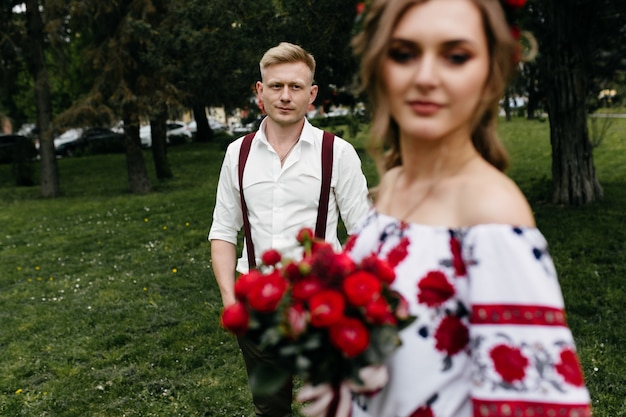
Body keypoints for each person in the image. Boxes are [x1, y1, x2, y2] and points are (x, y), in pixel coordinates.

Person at [296, 1, 593, 416]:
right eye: (403, 53)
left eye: (456, 56)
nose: (425, 77)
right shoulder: (394, 185)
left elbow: (535, 406)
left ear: (492, 72)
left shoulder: (492, 214)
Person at [209, 42, 371, 417]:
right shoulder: (238, 153)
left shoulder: (338, 153)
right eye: (276, 86)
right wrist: (231, 300)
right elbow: (222, 231)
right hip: (257, 306)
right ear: (260, 91)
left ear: (311, 94)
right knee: (270, 408)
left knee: (333, 405)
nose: (285, 96)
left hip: (323, 304)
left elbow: (364, 234)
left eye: (296, 87)